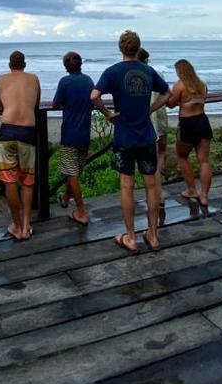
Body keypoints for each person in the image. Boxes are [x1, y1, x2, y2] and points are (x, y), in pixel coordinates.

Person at [91, 31, 170, 254]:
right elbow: (167, 93)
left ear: (120, 48)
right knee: (151, 186)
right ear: (138, 48)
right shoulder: (147, 70)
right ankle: (153, 235)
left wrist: (108, 114)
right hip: (146, 136)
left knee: (127, 186)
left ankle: (131, 237)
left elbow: (94, 96)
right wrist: (150, 108)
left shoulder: (113, 72)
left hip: (124, 137)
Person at [0, 51, 41, 240]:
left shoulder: (1, 79)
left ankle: (16, 225)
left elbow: (0, 106)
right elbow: (36, 106)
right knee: (28, 181)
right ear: (25, 64)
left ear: (9, 64)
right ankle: (26, 226)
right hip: (28, 132)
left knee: (10, 180)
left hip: (7, 131)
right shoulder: (34, 79)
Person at [53, 51, 95, 226]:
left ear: (65, 67)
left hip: (70, 134)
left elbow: (56, 103)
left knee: (72, 173)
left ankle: (81, 212)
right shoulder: (88, 81)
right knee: (75, 171)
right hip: (85, 133)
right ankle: (65, 198)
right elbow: (93, 100)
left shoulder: (65, 82)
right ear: (81, 64)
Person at [168, 59, 213, 207]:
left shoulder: (179, 85)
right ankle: (205, 196)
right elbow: (202, 101)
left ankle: (192, 189)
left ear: (180, 71)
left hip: (188, 124)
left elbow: (171, 104)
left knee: (182, 156)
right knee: (204, 160)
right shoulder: (202, 85)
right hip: (202, 121)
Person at [138, 47, 168, 216]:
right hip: (160, 119)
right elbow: (166, 94)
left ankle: (155, 198)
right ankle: (159, 195)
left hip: (148, 123)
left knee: (150, 164)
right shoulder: (157, 74)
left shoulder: (136, 75)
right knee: (159, 158)